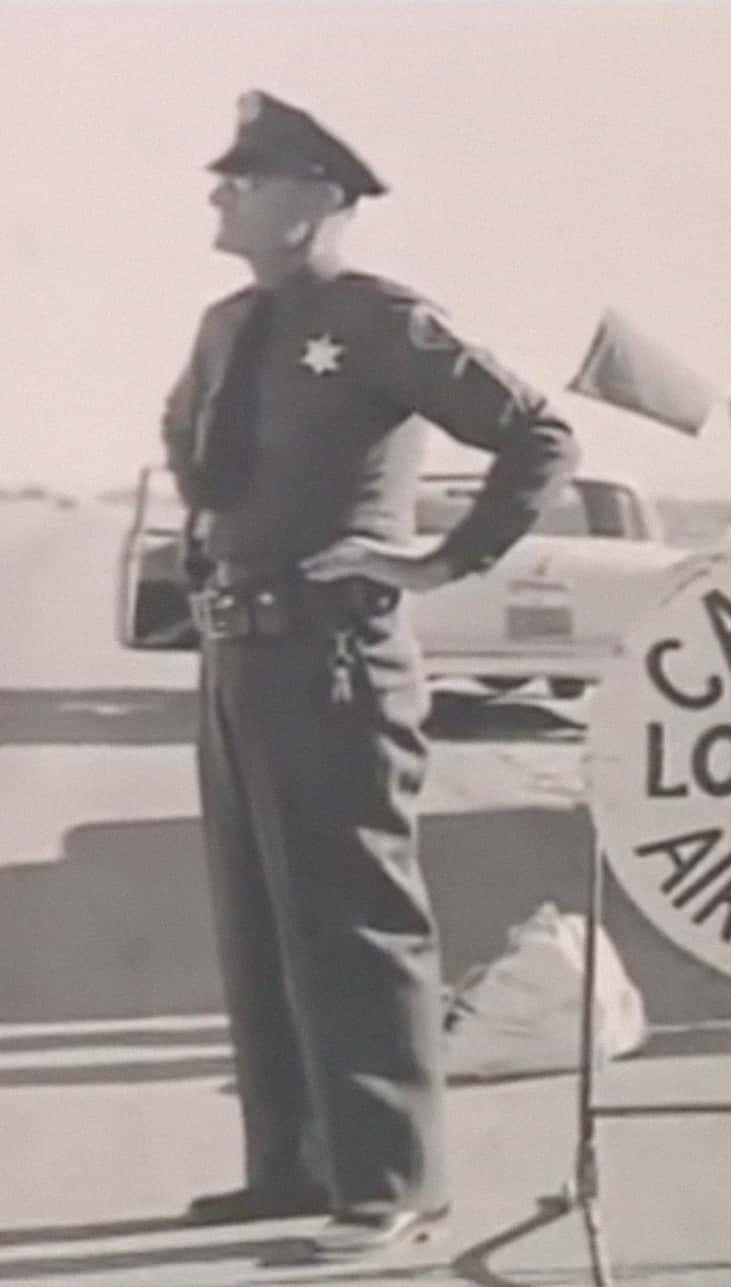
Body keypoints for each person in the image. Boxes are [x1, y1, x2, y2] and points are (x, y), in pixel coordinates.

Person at [163, 91, 578, 1258]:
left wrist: (436, 559)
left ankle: (394, 1178)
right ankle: (295, 1167)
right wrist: (208, 544)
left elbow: (539, 435)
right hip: (239, 655)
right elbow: (190, 442)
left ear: (318, 199)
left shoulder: (382, 320)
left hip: (336, 657)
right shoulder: (223, 325)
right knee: (261, 921)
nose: (220, 194)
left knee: (354, 918)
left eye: (244, 179)